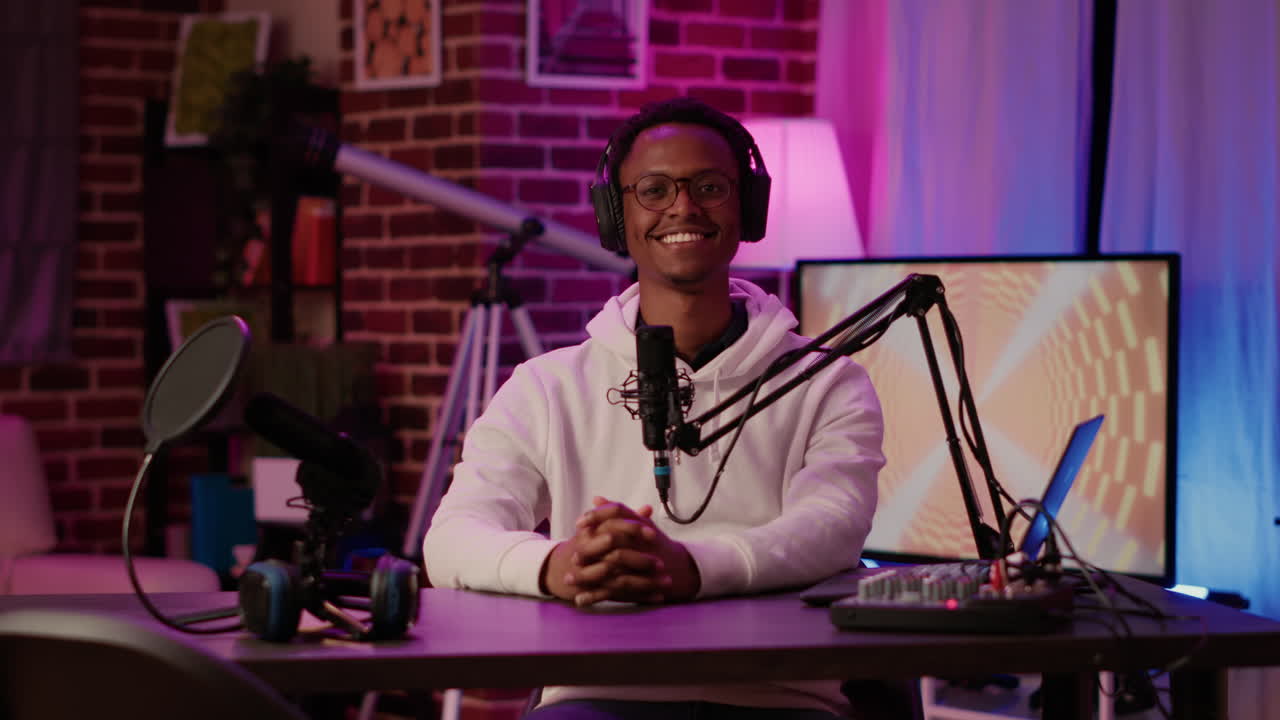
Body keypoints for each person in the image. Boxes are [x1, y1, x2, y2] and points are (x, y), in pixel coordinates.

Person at [423, 97, 886, 718]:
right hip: (594, 697)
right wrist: (560, 566)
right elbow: (451, 537)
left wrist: (689, 568)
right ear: (617, 216)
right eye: (654, 189)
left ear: (747, 206)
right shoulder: (545, 386)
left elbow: (830, 529)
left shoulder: (827, 382)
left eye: (710, 186)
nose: (684, 207)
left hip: (778, 699)